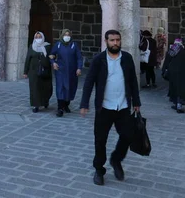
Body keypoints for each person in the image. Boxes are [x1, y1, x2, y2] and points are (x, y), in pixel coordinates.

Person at [80, 29, 141, 186]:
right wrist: (84, 104)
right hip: (104, 107)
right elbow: (89, 82)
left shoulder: (127, 58)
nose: (115, 43)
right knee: (100, 140)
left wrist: (136, 102)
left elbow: (133, 81)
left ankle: (116, 160)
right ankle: (99, 170)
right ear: (106, 41)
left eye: (117, 40)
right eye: (112, 40)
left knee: (128, 135)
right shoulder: (99, 59)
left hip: (123, 106)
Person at [50, 29, 83, 117]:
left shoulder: (74, 45)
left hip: (72, 71)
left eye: (68, 35)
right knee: (60, 88)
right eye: (65, 34)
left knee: (70, 88)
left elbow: (79, 57)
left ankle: (66, 105)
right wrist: (53, 62)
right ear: (62, 35)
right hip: (61, 70)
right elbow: (51, 55)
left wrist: (79, 68)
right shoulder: (58, 44)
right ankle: (60, 108)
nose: (67, 36)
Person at [23, 31, 53, 112]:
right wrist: (25, 72)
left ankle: (45, 102)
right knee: (35, 88)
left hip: (45, 70)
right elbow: (28, 60)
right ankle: (36, 105)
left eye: (40, 37)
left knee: (45, 87)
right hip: (34, 71)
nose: (38, 39)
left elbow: (51, 57)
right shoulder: (31, 47)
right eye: (37, 37)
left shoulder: (47, 46)